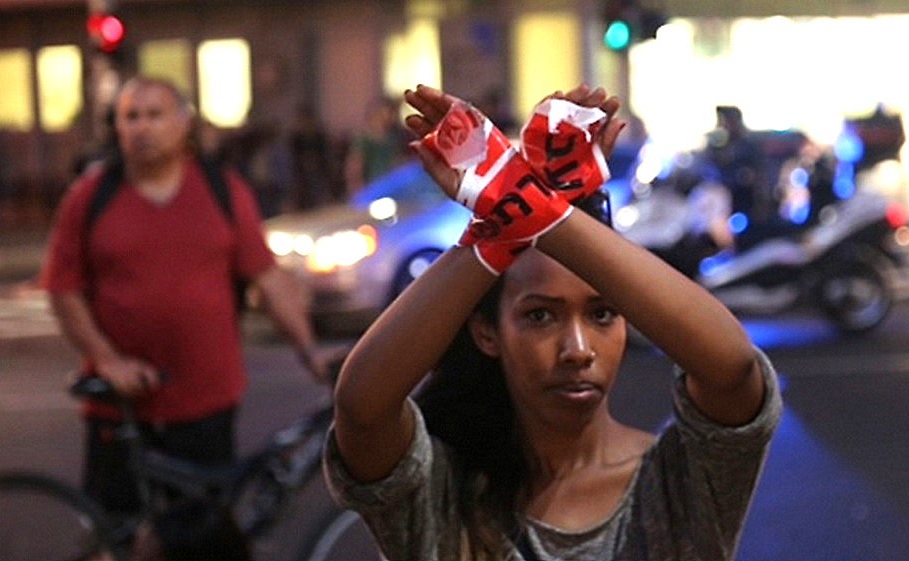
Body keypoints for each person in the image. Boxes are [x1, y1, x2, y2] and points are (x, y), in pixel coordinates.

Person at [323, 84, 782, 561]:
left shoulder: (678, 479)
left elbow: (734, 368)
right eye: (540, 316)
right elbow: (360, 409)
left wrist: (528, 206)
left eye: (603, 313)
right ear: (487, 332)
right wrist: (500, 229)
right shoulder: (443, 492)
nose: (578, 349)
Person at [41, 76, 341, 560]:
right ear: (116, 127)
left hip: (204, 404)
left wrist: (309, 351)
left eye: (155, 114)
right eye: (130, 116)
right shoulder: (90, 196)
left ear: (184, 123)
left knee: (201, 545)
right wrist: (108, 360)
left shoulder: (224, 192)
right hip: (120, 407)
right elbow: (63, 289)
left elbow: (267, 278)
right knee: (112, 539)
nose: (142, 127)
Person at [343, 95, 412, 195]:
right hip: (370, 188)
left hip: (389, 187)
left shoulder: (391, 138)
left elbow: (395, 162)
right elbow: (355, 167)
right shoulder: (364, 139)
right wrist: (357, 191)